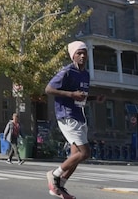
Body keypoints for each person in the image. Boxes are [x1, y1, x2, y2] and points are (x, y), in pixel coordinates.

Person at [45, 40, 104, 199]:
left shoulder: (85, 74)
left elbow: (80, 97)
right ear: (73, 56)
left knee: (75, 157)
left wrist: (93, 98)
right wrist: (71, 94)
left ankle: (59, 187)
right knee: (85, 153)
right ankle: (54, 175)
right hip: (67, 115)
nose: (83, 55)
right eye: (79, 53)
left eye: (85, 52)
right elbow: (49, 89)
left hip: (79, 116)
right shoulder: (67, 71)